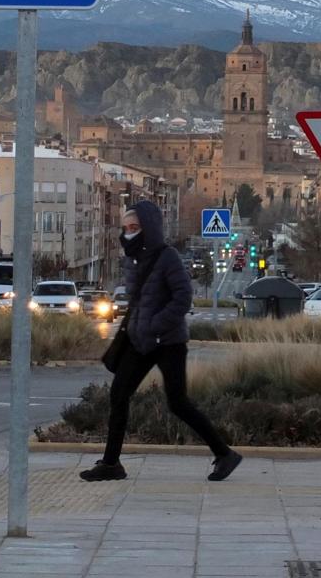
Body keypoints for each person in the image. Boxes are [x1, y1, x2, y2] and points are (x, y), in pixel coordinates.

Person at [80, 199, 242, 483]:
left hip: (168, 341)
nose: (129, 232)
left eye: (135, 227)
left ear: (149, 228)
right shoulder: (131, 259)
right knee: (118, 395)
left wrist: (155, 327)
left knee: (178, 402)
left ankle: (224, 454)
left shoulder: (167, 257)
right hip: (139, 340)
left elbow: (183, 298)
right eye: (126, 227)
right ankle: (110, 463)